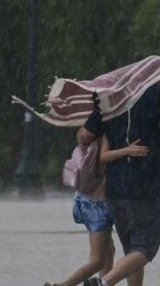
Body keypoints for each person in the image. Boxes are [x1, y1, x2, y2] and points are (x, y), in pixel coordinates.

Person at [76, 73, 160, 286]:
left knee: (131, 253)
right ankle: (104, 283)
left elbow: (83, 136)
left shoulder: (112, 99)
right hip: (144, 190)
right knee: (145, 248)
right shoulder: (158, 95)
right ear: (158, 78)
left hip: (114, 192)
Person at [46, 100, 150, 286]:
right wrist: (128, 150)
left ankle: (101, 283)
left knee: (107, 251)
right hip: (99, 204)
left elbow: (85, 140)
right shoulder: (108, 128)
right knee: (102, 259)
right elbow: (104, 156)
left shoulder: (88, 129)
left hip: (84, 199)